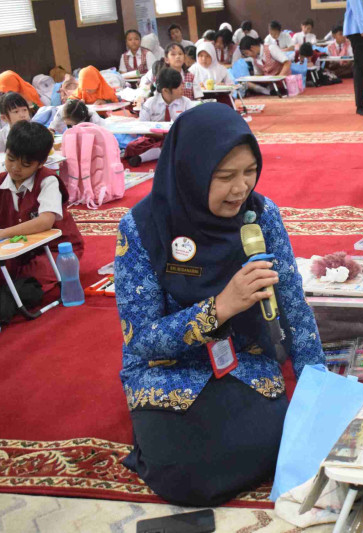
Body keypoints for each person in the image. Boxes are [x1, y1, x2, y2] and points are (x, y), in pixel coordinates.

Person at [115, 103, 324, 506]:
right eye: (225, 176)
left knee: (279, 447)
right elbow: (141, 339)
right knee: (185, 473)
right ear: (190, 171)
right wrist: (219, 308)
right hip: (169, 371)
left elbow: (294, 308)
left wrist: (318, 389)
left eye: (249, 172)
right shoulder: (142, 228)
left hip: (243, 362)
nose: (240, 188)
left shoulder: (261, 218)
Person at [0, 121, 84, 292]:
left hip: (56, 249)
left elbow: (45, 221)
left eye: (25, 165)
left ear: (41, 163)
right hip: (17, 251)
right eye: (10, 159)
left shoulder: (47, 181)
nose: (15, 168)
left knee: (27, 282)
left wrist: (0, 233)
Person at [126, 68, 196, 168]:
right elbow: (142, 126)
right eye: (178, 86)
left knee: (182, 145)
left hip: (177, 137)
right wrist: (160, 134)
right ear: (165, 90)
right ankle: (160, 153)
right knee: (131, 147)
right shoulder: (150, 103)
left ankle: (142, 158)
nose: (182, 88)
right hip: (154, 138)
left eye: (182, 84)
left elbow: (191, 124)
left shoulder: (186, 103)